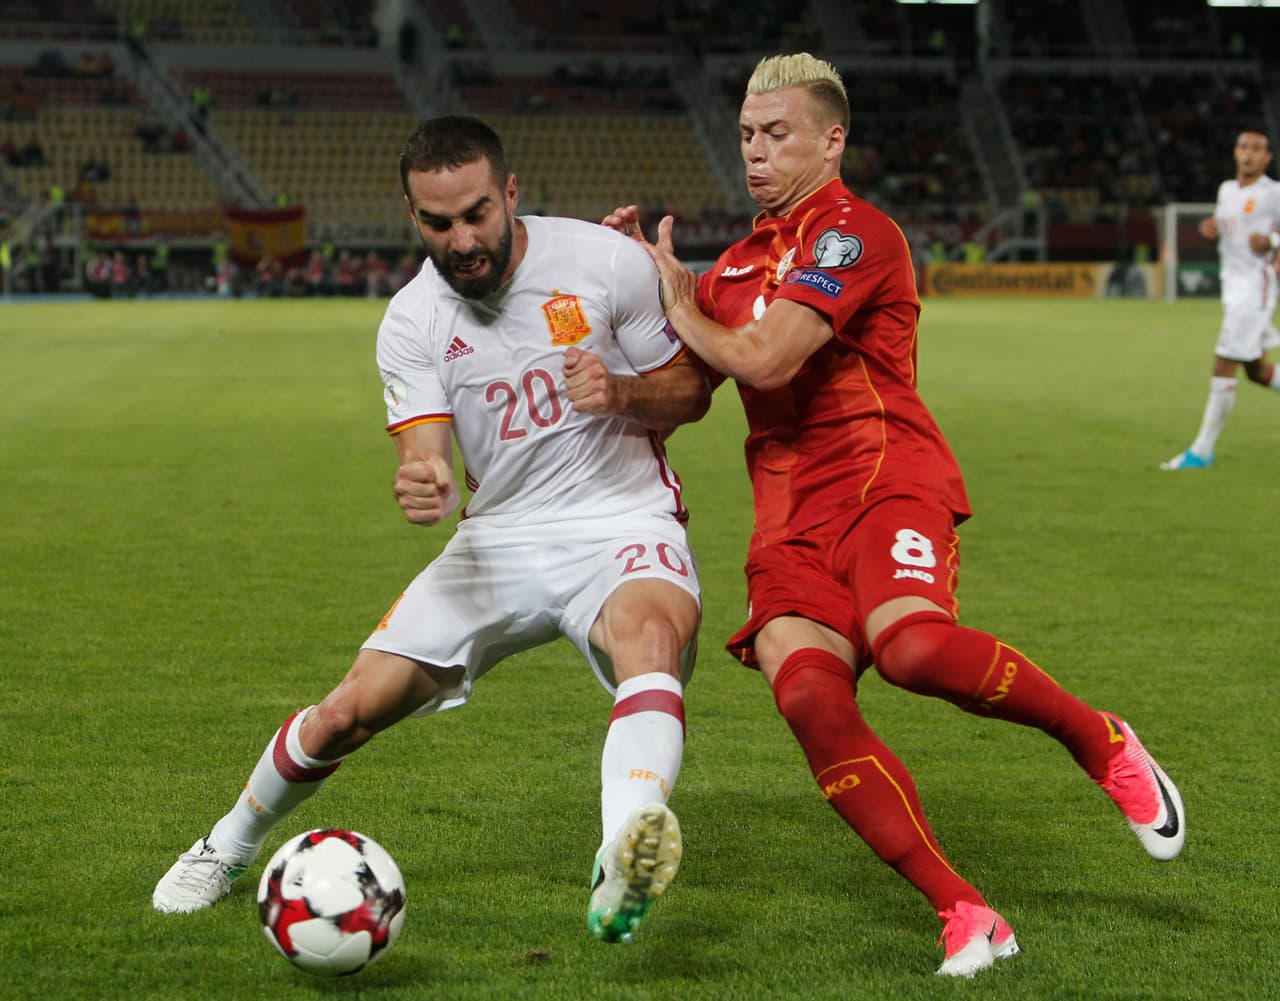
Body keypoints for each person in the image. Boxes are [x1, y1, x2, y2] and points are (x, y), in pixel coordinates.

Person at [605, 53, 1186, 977]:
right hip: (785, 518)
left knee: (912, 648)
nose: (755, 152)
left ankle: (1099, 737)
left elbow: (765, 360)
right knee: (808, 697)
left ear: (832, 138)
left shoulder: (855, 233)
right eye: (747, 135)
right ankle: (965, 911)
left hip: (884, 479)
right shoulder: (736, 268)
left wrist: (679, 296)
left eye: (777, 133)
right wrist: (619, 356)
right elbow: (692, 392)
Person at [153, 115, 710, 947]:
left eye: (478, 213)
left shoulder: (602, 262)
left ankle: (623, 848)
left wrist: (625, 394)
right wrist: (426, 476)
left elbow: (693, 390)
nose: (463, 240)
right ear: (413, 216)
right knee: (347, 712)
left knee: (649, 635)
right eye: (438, 223)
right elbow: (425, 451)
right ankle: (225, 844)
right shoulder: (412, 318)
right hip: (499, 538)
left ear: (510, 193)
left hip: (618, 517)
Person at [1161, 129, 1280, 470]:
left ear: (1267, 158)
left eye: (1257, 149)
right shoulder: (1226, 191)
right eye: (1243, 146)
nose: (1248, 154)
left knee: (1223, 362)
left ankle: (1201, 451)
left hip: (1253, 291)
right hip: (1233, 290)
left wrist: (1272, 242)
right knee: (1257, 371)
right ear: (1235, 152)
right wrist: (1210, 228)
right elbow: (1232, 234)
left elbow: (1270, 238)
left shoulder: (1273, 193)